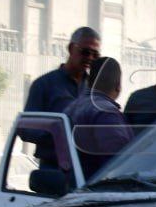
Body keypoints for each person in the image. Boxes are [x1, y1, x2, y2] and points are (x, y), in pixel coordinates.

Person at [21, 26, 100, 167]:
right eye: (85, 52)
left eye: (95, 55)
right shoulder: (44, 85)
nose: (90, 58)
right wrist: (57, 134)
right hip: (52, 168)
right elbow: (25, 128)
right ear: (71, 49)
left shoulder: (94, 90)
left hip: (86, 168)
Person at [66, 57, 133, 179]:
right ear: (118, 86)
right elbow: (118, 164)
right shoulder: (107, 113)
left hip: (72, 186)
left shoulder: (71, 107)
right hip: (97, 190)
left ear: (88, 82)